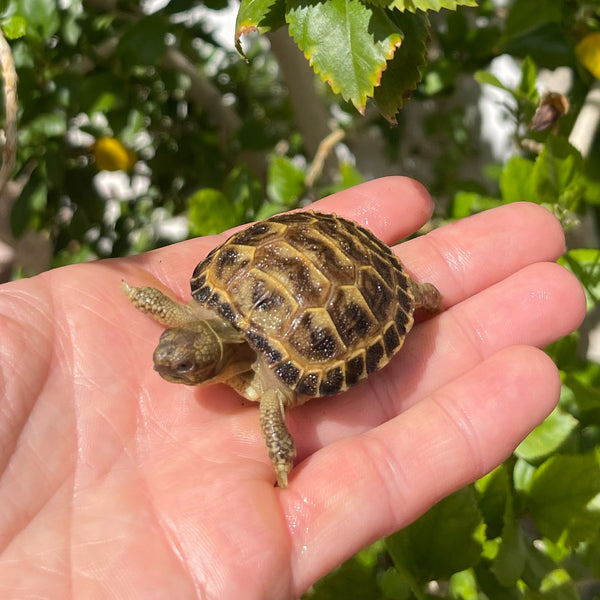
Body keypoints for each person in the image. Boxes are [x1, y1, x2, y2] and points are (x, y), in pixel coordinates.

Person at [0, 177, 586, 598]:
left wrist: (283, 463)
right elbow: (167, 309)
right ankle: (411, 292)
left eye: (182, 367)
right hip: (290, 263)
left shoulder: (268, 383)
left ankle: (411, 293)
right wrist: (131, 296)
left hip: (341, 286)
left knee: (414, 296)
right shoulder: (200, 321)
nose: (170, 366)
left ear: (210, 367)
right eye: (176, 361)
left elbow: (273, 427)